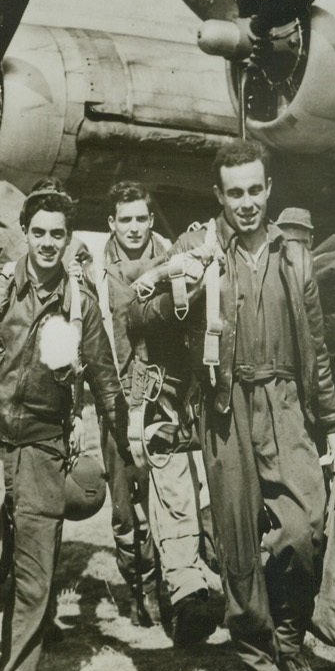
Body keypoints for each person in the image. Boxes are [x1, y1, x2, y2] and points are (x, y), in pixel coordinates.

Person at [143, 140, 335, 671]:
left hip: (285, 402)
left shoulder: (294, 256)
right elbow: (141, 313)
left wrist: (332, 426)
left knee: (304, 527)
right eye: (233, 193)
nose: (246, 203)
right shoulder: (198, 248)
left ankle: (289, 638)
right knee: (237, 547)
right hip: (224, 406)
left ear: (269, 189)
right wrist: (178, 283)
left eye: (255, 190)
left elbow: (318, 351)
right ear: (219, 196)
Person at [0, 179, 130, 671]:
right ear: (24, 233)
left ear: (69, 240)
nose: (48, 243)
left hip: (45, 451)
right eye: (39, 232)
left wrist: (126, 447)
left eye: (58, 235)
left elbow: (106, 384)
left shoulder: (80, 304)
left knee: (36, 576)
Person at [88, 181, 219, 644]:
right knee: (127, 510)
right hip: (117, 399)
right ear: (111, 224)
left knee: (175, 497)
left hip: (168, 397)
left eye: (142, 218)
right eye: (125, 220)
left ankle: (175, 595)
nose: (135, 228)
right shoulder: (92, 274)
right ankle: (139, 586)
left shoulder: (175, 259)